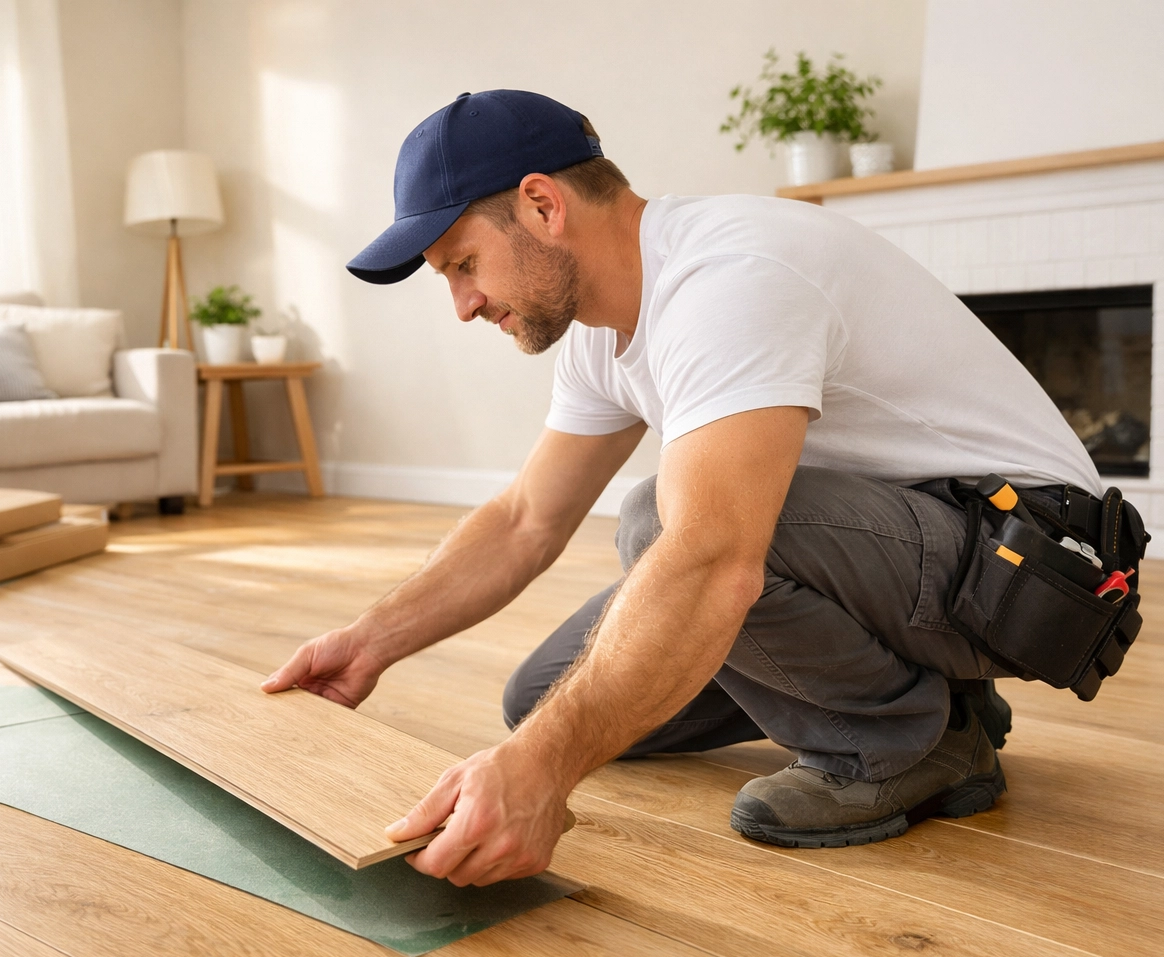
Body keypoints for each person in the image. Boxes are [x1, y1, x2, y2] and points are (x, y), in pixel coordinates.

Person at [261, 90, 1103, 886]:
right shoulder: (599, 325)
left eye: (464, 263)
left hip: (1044, 572)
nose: (463, 303)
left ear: (543, 206)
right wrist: (369, 643)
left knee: (658, 527)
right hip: (941, 555)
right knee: (539, 699)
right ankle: (930, 692)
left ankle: (906, 743)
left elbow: (713, 556)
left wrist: (544, 775)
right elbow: (526, 520)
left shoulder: (728, 278)